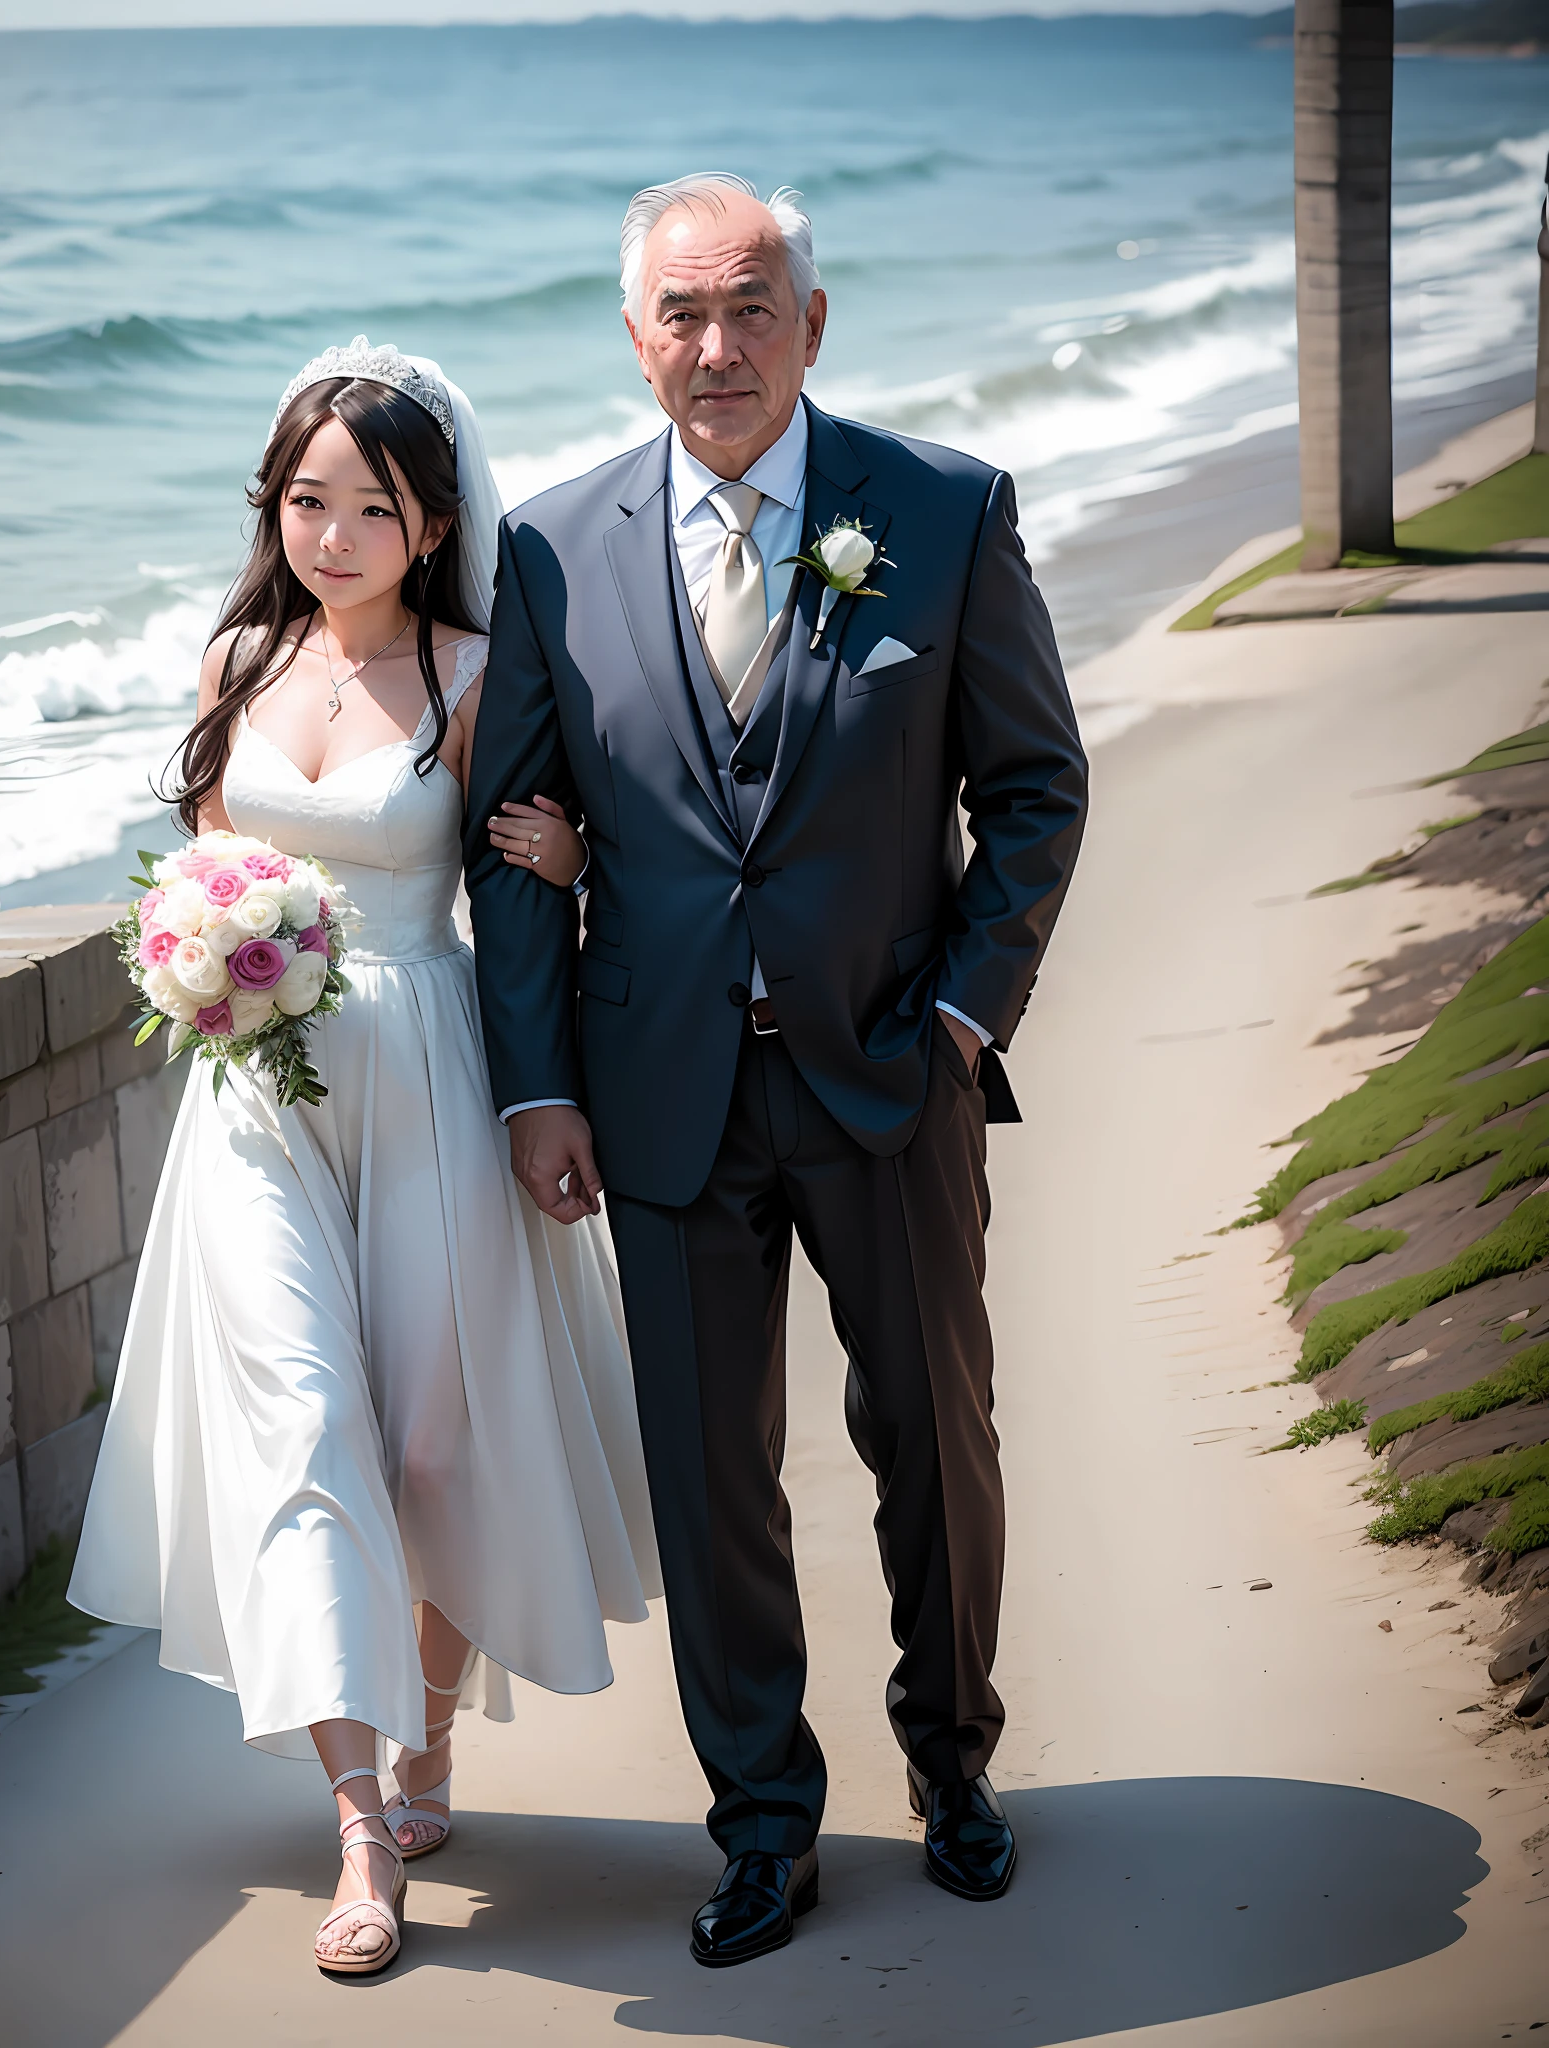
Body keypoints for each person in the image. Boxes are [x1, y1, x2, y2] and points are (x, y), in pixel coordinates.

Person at [464, 176, 1088, 1967]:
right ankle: (761, 1823)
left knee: (932, 1444)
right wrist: (537, 1086)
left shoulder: (943, 514)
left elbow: (1034, 791)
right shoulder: (552, 546)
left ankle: (955, 1771)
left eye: (752, 310)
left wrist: (967, 1017)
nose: (716, 347)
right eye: (682, 312)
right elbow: (521, 845)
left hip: (893, 1078)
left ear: (813, 324)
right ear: (635, 333)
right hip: (656, 1096)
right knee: (709, 1477)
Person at [69, 339, 658, 1979]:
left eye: (370, 506)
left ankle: (434, 1738)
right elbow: (198, 876)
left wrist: (577, 850)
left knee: (432, 1443)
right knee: (310, 1429)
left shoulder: (479, 673)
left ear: (429, 518)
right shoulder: (237, 663)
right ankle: (357, 1827)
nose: (331, 534)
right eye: (306, 500)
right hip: (261, 1085)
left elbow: (545, 875)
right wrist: (196, 950)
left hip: (430, 1063)